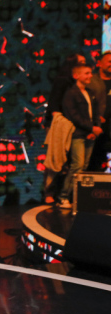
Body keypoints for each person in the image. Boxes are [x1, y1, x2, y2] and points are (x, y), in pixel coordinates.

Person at [43, 53, 86, 204]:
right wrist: (59, 121)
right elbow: (54, 104)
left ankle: (65, 193)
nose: (84, 65)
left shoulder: (80, 84)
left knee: (71, 162)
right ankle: (49, 192)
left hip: (73, 125)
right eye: (81, 62)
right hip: (60, 124)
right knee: (56, 158)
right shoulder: (62, 81)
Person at [58, 65, 103, 209]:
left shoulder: (89, 92)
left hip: (90, 134)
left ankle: (76, 198)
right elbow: (73, 116)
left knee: (83, 167)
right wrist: (91, 128)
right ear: (76, 76)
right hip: (77, 134)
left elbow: (96, 113)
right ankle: (63, 197)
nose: (90, 76)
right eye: (86, 73)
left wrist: (95, 128)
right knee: (77, 165)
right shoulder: (71, 94)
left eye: (90, 73)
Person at [88, 51, 111, 171]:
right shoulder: (91, 81)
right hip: (94, 127)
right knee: (92, 162)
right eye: (109, 62)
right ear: (100, 63)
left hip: (109, 129)